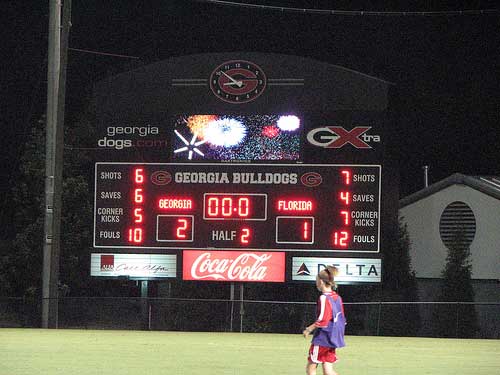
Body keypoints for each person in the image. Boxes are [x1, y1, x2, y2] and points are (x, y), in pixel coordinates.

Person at [302, 266, 345, 375]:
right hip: (333, 338)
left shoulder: (324, 297)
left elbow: (323, 319)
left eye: (316, 280)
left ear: (321, 281)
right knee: (328, 370)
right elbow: (342, 319)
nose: (316, 283)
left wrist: (309, 329)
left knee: (311, 367)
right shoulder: (337, 297)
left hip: (323, 338)